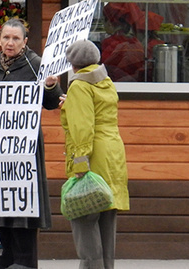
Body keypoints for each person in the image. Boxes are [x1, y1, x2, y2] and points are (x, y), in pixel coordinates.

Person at [0, 18, 63, 269]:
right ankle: (8, 256)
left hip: (25, 148)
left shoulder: (36, 64)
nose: (10, 43)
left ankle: (25, 260)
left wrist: (52, 86)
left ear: (25, 41)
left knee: (22, 203)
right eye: (6, 38)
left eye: (15, 38)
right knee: (1, 200)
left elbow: (52, 102)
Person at [60, 39, 129, 269]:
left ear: (74, 65)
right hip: (113, 156)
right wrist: (70, 106)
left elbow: (82, 128)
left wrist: (80, 164)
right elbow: (97, 115)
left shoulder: (79, 86)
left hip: (92, 156)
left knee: (84, 218)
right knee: (106, 221)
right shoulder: (105, 82)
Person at [101, 3, 145, 82]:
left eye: (104, 20)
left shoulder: (110, 43)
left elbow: (104, 68)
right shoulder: (136, 42)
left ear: (110, 23)